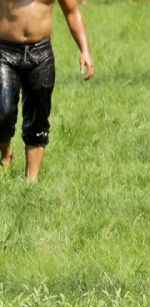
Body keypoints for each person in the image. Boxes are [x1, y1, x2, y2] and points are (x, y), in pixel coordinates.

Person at [0, 0, 94, 182]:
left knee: (38, 118)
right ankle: (6, 154)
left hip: (40, 54)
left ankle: (31, 182)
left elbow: (72, 12)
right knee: (2, 112)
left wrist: (85, 50)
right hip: (4, 52)